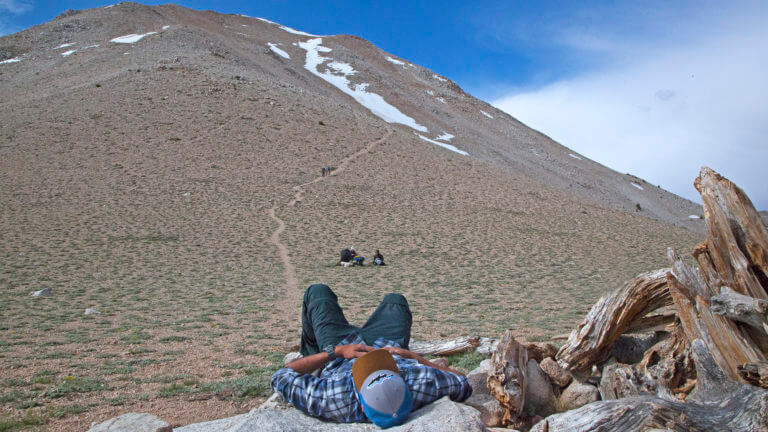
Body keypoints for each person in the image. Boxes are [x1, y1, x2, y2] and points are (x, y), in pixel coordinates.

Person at [271, 284, 472, 427]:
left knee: (317, 293)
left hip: (341, 352)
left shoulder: (337, 398)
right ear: (406, 392)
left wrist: (334, 353)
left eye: (364, 376)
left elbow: (281, 376)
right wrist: (415, 358)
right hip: (387, 348)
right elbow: (463, 382)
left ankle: (314, 360)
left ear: (360, 404)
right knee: (396, 301)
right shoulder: (420, 383)